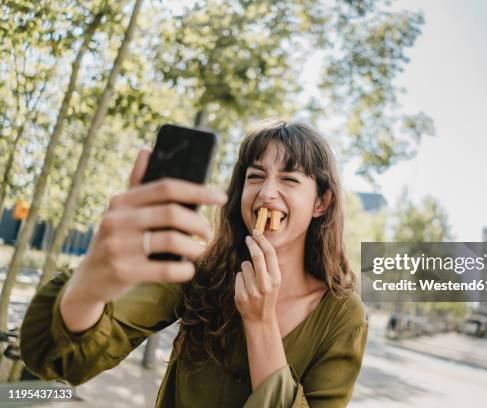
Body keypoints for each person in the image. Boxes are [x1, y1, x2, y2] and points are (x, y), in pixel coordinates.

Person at [20, 118, 368, 407]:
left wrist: (260, 321)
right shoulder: (199, 270)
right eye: (256, 176)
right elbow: (63, 359)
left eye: (289, 179)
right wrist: (90, 286)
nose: (266, 193)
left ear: (321, 202)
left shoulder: (342, 317)